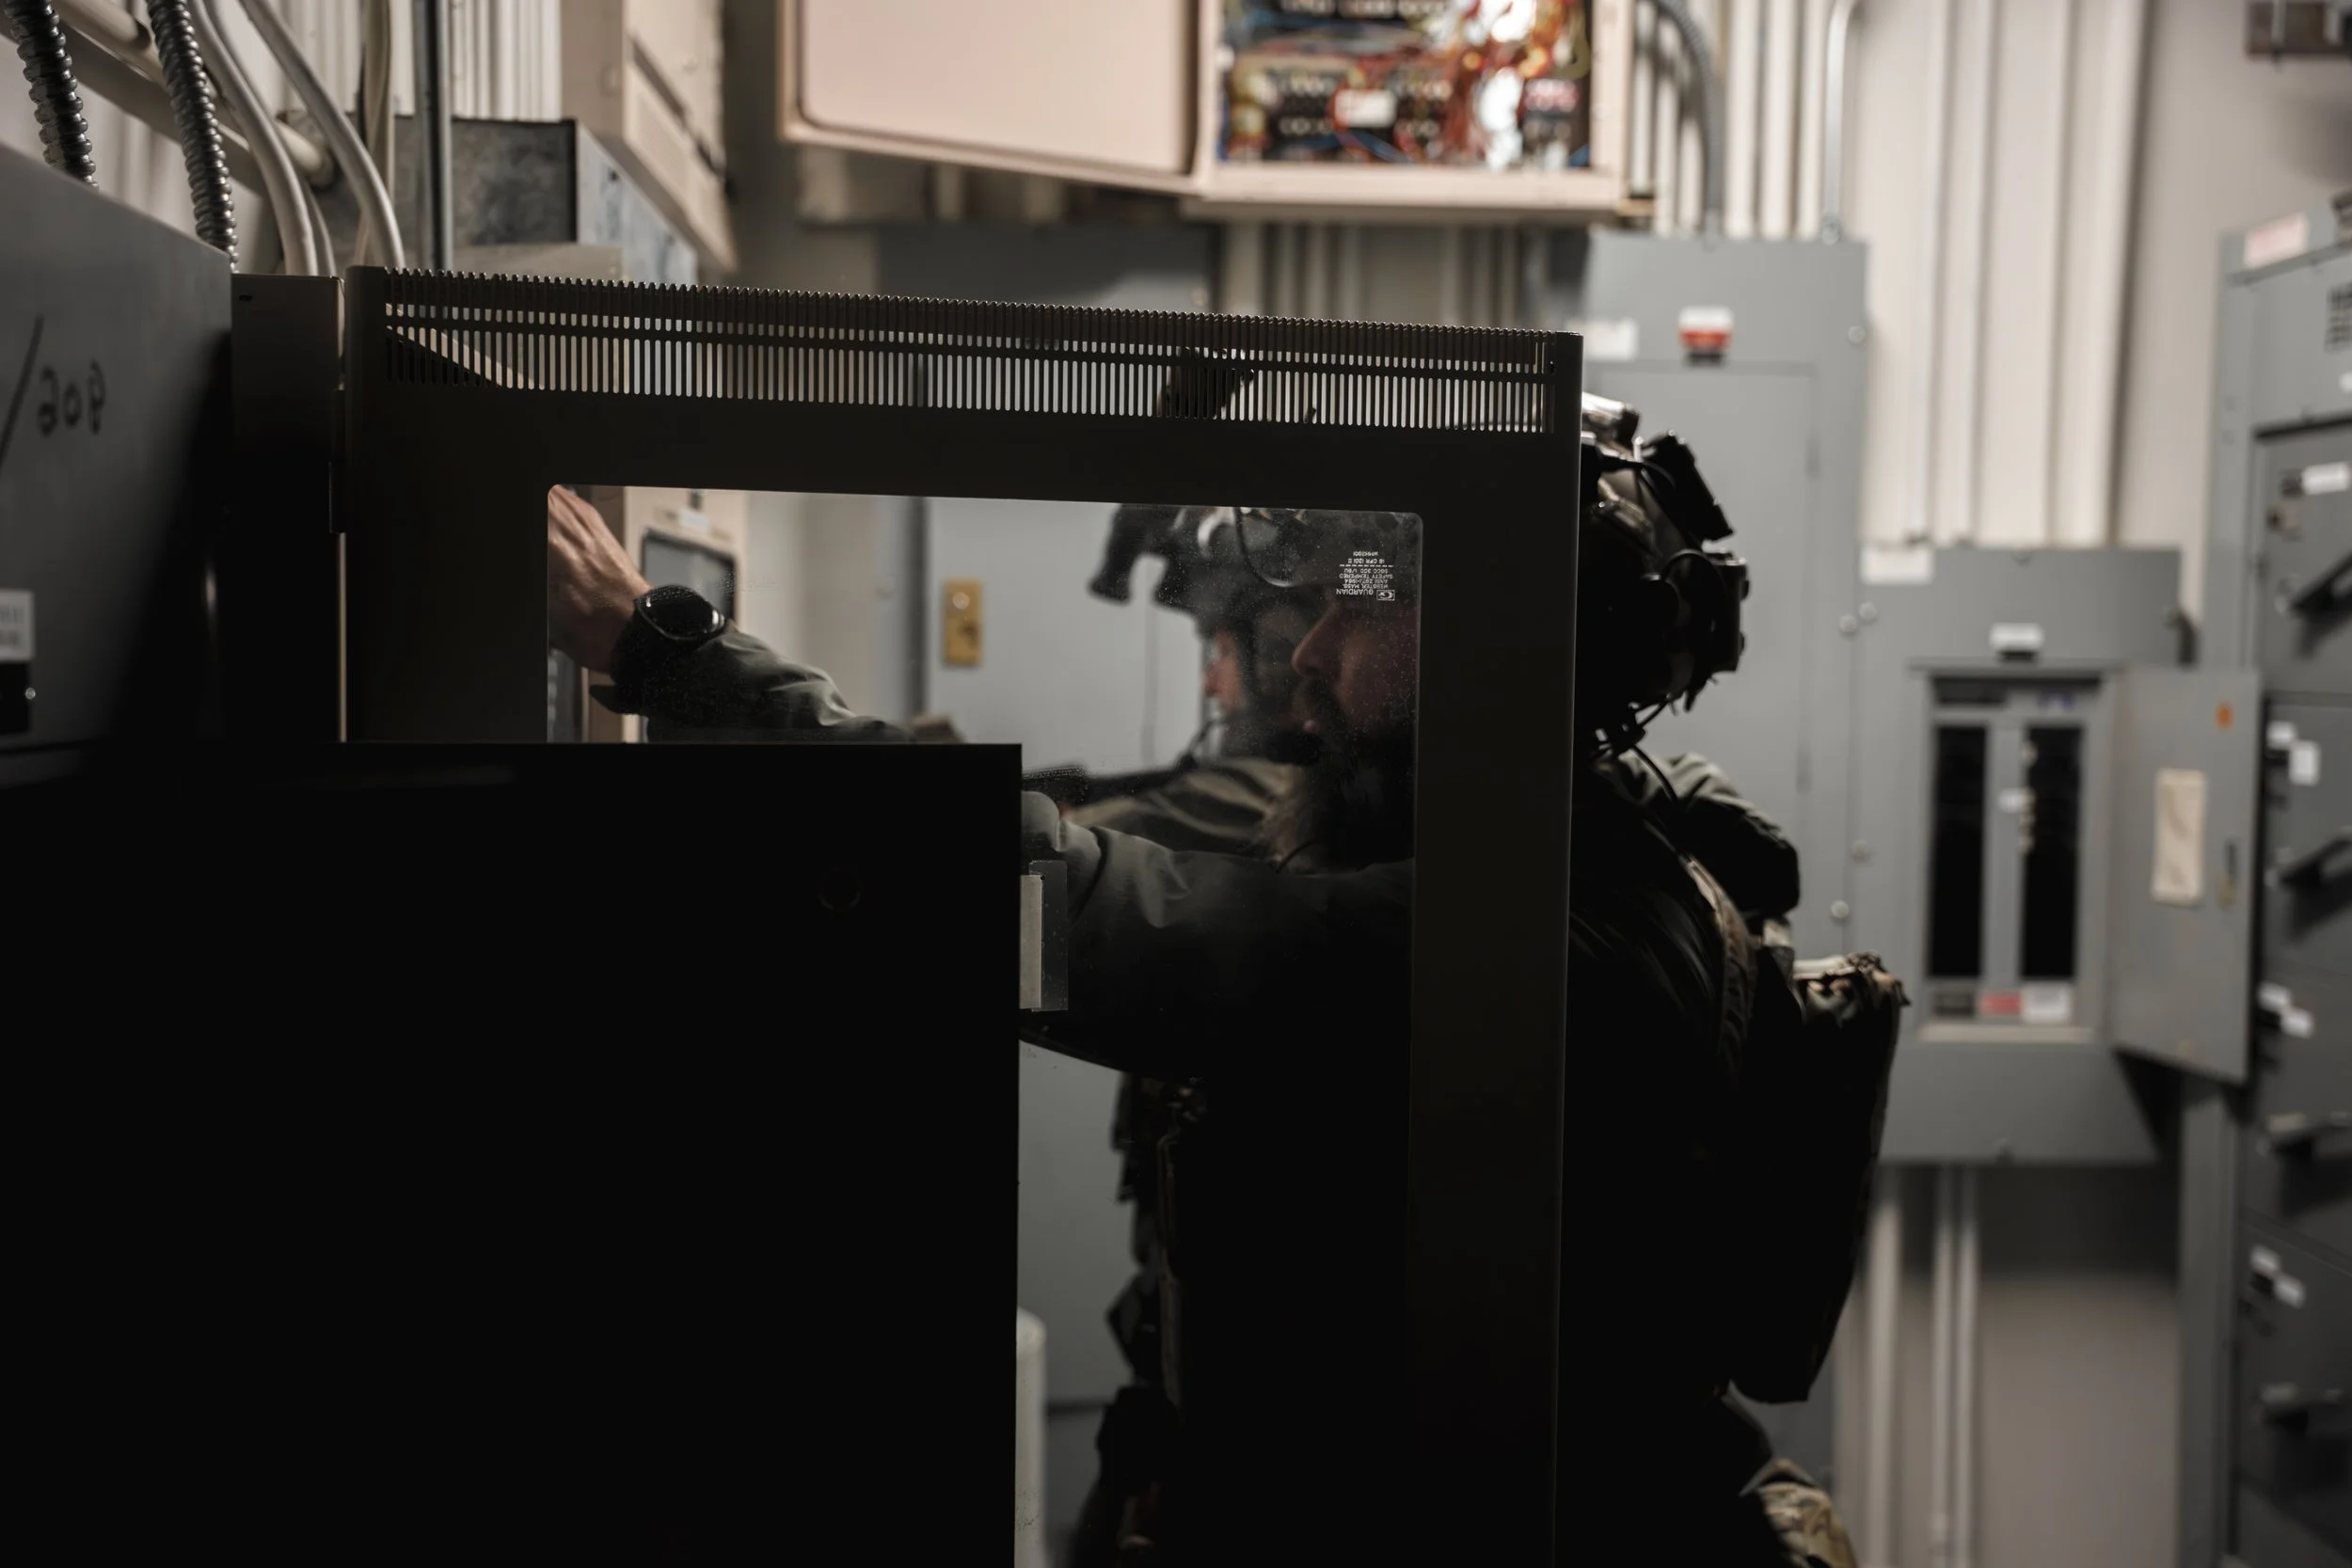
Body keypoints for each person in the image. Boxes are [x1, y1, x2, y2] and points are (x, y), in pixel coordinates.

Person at [543, 412, 1899, 1562]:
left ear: (1503, 649)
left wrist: (669, 654)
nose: (1301, 660)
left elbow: (1070, 925)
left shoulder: (1535, 933)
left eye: (1357, 611)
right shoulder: (1537, 863)